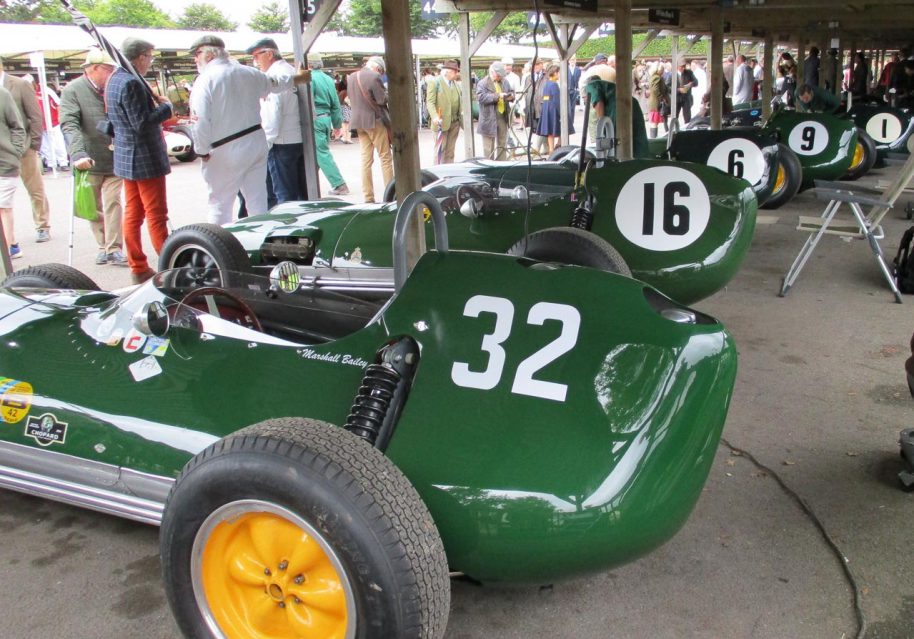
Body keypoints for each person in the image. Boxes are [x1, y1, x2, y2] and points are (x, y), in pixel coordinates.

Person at [192, 35, 310, 224]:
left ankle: (218, 250)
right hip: (254, 142)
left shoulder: (205, 80)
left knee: (220, 205)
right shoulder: (249, 73)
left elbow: (200, 121)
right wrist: (298, 78)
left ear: (206, 54)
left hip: (224, 148)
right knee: (258, 202)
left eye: (196, 55)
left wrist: (202, 150)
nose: (195, 60)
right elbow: (277, 84)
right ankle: (261, 242)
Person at [105, 37, 172, 284]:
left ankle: (138, 265)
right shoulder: (131, 82)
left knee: (133, 213)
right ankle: (168, 264)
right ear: (141, 56)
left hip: (126, 154)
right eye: (150, 57)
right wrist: (166, 108)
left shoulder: (114, 78)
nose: (150, 61)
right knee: (156, 214)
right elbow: (142, 123)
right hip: (143, 156)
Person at [59, 48, 127, 267]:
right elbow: (69, 123)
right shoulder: (73, 90)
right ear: (95, 68)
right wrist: (77, 152)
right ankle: (103, 245)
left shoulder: (115, 86)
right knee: (94, 206)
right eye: (109, 69)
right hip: (90, 157)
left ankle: (114, 248)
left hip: (117, 156)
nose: (112, 74)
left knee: (113, 202)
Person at [0, 57, 50, 243]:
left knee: (35, 189)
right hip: (4, 152)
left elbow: (35, 115)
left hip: (24, 146)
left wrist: (32, 145)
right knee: (3, 201)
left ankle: (42, 225)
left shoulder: (19, 84)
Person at [347, 56, 393, 203]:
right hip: (375, 121)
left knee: (366, 160)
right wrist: (387, 94)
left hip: (359, 123)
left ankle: (368, 197)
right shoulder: (374, 77)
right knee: (385, 158)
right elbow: (381, 100)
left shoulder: (352, 77)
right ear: (378, 68)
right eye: (380, 71)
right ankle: (390, 194)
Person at [307, 52, 349, 195]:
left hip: (314, 119)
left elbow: (308, 102)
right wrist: (337, 125)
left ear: (309, 64)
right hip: (326, 119)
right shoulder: (328, 79)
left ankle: (339, 184)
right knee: (318, 153)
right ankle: (307, 184)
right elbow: (336, 104)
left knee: (320, 153)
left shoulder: (309, 78)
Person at [584, 72, 649, 158]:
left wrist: (602, 127)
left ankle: (616, 162)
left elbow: (598, 103)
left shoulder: (592, 85)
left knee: (615, 139)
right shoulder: (607, 86)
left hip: (619, 107)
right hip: (631, 104)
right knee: (637, 137)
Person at [0, 84, 26, 259]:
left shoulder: (3, 95)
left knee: (2, 207)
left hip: (4, 162)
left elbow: (17, 126)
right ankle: (13, 244)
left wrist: (15, 151)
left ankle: (6, 254)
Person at [476, 61, 514, 160]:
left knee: (502, 144)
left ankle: (501, 165)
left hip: (502, 117)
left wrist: (510, 96)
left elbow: (511, 91)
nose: (501, 78)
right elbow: (481, 97)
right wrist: (497, 96)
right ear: (493, 73)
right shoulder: (483, 83)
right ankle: (490, 166)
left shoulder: (504, 81)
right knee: (488, 147)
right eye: (499, 76)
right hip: (488, 119)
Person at [427, 59, 462, 165]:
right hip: (441, 123)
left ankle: (449, 175)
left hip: (454, 123)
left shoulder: (456, 84)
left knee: (450, 152)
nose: (457, 73)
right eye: (455, 71)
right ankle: (437, 176)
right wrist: (435, 116)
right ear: (448, 71)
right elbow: (430, 102)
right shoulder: (435, 82)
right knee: (440, 151)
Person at [535, 64, 562, 154]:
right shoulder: (554, 85)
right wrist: (560, 112)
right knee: (556, 129)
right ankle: (558, 145)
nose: (560, 75)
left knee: (550, 131)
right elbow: (556, 100)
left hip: (546, 108)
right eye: (559, 73)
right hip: (553, 109)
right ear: (555, 73)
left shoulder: (547, 84)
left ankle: (551, 149)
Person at [646, 62, 667, 138]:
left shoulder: (654, 77)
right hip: (655, 102)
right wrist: (661, 97)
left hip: (653, 101)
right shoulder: (657, 77)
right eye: (662, 69)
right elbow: (655, 89)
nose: (663, 71)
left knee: (654, 122)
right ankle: (653, 138)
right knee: (654, 122)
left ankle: (653, 137)